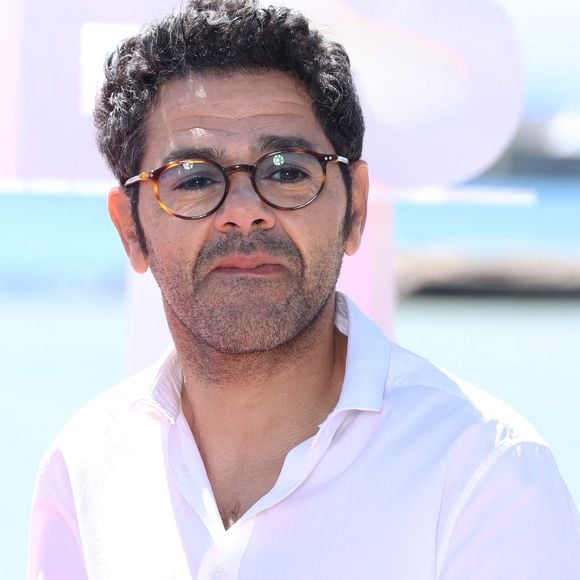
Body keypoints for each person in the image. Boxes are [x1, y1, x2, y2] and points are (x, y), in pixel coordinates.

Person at [29, 1, 580, 578]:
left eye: (287, 170)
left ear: (357, 208)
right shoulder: (84, 466)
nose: (244, 213)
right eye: (193, 178)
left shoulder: (483, 475)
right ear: (130, 229)